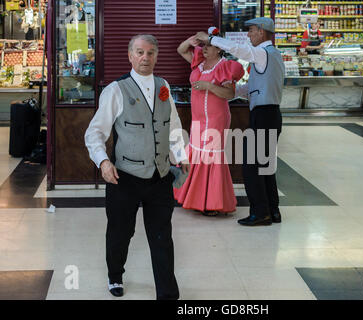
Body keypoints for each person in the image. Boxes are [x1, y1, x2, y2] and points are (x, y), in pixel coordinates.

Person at [84, 34, 190, 299]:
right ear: (130, 56)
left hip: (161, 176)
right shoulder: (116, 90)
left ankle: (168, 294)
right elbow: (94, 132)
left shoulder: (163, 85)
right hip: (125, 178)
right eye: (140, 52)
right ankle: (115, 275)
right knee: (121, 233)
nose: (145, 58)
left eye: (151, 53)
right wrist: (103, 161)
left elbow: (173, 125)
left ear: (156, 56)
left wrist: (180, 153)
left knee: (162, 237)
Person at [196, 17, 285, 227]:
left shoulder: (263, 53)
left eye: (251, 30)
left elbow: (239, 50)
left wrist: (212, 39)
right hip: (271, 114)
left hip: (263, 115)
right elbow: (255, 89)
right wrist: (234, 89)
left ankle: (260, 212)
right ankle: (273, 210)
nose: (248, 34)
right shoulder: (272, 56)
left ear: (262, 32)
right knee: (265, 166)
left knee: (251, 166)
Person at [174, 27, 244, 216]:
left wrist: (209, 86)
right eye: (203, 45)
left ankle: (211, 202)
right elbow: (181, 50)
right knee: (196, 153)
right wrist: (193, 40)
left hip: (216, 119)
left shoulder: (225, 66)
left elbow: (229, 94)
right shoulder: (199, 63)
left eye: (209, 45)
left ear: (219, 48)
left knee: (210, 156)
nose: (204, 48)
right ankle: (194, 198)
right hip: (198, 118)